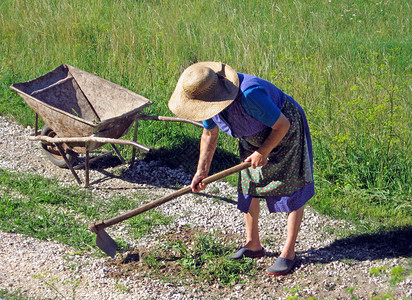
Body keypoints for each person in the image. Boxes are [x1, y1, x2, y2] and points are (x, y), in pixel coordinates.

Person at [168, 61, 314, 275]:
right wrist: (202, 170)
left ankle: (288, 253)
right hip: (252, 139)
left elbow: (282, 125)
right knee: (248, 187)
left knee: (291, 187)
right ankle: (253, 244)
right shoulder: (205, 98)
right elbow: (209, 134)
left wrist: (263, 151)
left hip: (284, 132)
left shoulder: (250, 95)